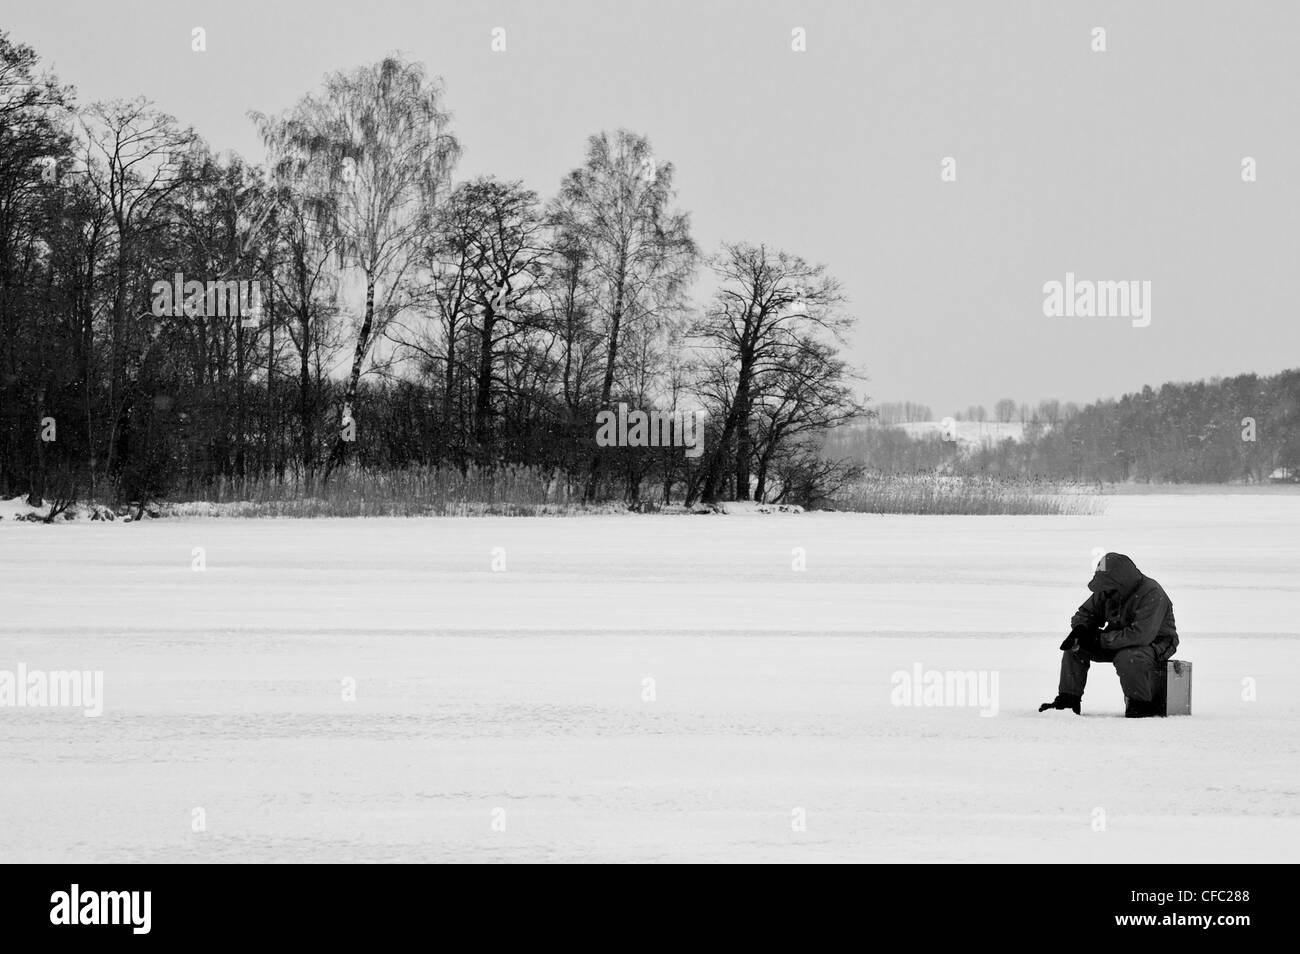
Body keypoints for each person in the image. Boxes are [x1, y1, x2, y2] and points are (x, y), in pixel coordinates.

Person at [1039, 552, 1179, 718]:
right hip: (1117, 639)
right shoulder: (1107, 590)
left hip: (1156, 642)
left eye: (1108, 586)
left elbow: (1141, 636)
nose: (1104, 592)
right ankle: (1068, 701)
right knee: (1075, 648)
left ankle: (1141, 705)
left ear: (1120, 582)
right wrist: (1081, 630)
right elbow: (1085, 613)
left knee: (1128, 657)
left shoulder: (1152, 593)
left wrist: (1099, 640)